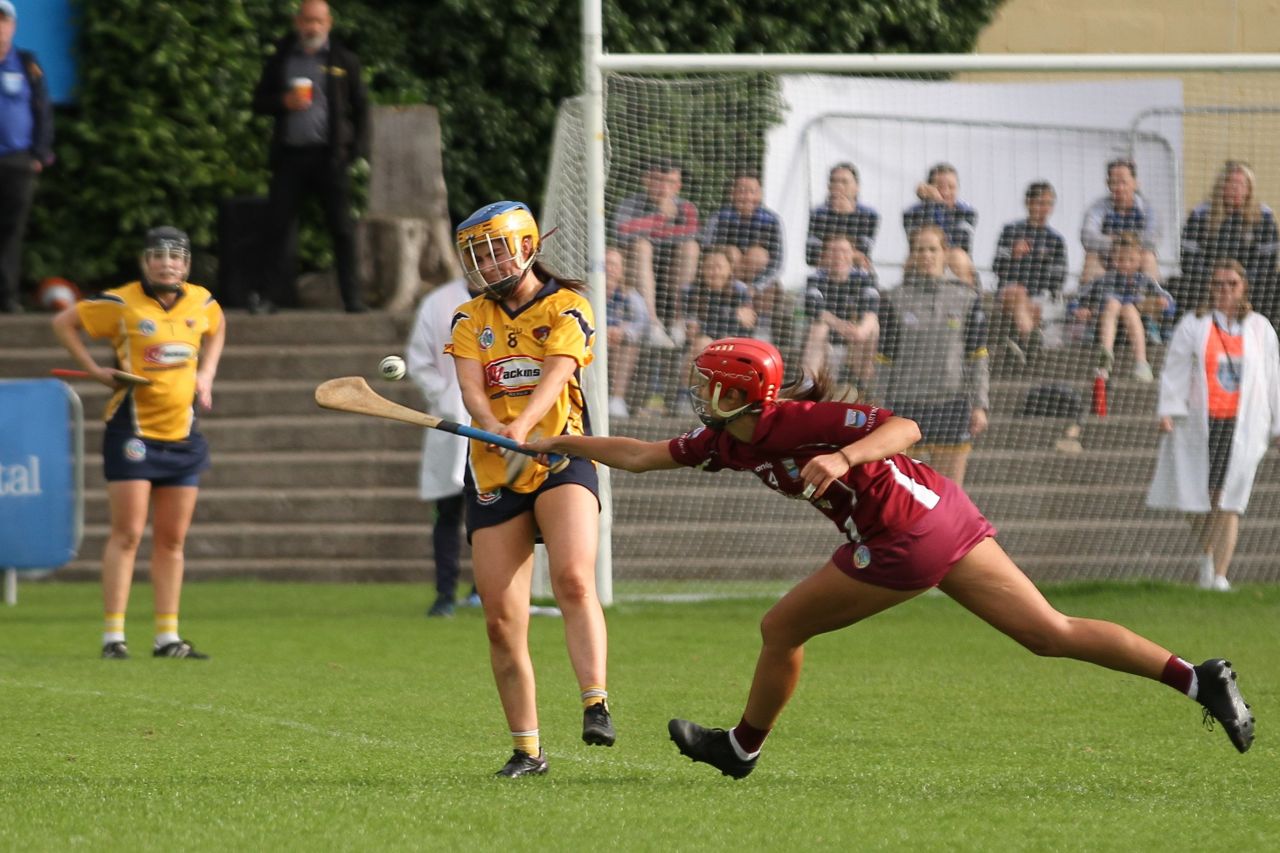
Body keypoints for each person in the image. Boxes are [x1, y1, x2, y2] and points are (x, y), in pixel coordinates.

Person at [526, 336, 1256, 780]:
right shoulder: (727, 439)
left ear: (741, 393)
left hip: (909, 533)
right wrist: (562, 442)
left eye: (710, 385)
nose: (699, 392)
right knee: (1049, 632)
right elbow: (645, 455)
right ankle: (1198, 678)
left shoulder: (795, 419)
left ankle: (742, 748)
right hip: (947, 516)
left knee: (780, 628)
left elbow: (903, 426)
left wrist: (842, 456)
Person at [445, 201, 612, 778]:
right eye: (476, 255)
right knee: (500, 619)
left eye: (495, 250)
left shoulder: (569, 305)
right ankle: (527, 750)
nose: (487, 265)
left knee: (571, 576)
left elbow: (557, 373)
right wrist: (492, 429)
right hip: (494, 472)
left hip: (561, 454)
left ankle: (595, 700)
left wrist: (524, 428)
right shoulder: (468, 319)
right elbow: (472, 389)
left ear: (526, 246)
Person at [51, 227, 226, 660]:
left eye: (177, 257)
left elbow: (219, 328)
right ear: (145, 261)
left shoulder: (201, 302)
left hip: (183, 436)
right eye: (158, 256)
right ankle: (114, 636)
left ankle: (167, 637)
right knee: (127, 533)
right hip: (133, 433)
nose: (168, 263)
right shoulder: (119, 303)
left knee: (172, 540)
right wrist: (93, 368)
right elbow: (63, 322)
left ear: (186, 264)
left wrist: (206, 375)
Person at [1146, 260, 1280, 592]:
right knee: (1199, 498)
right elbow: (1175, 368)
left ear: (1243, 286)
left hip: (1245, 423)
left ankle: (1220, 575)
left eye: (1232, 283)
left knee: (1231, 497)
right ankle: (1206, 553)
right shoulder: (1194, 323)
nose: (1225, 290)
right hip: (1201, 422)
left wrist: (1278, 424)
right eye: (1219, 284)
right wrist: (1169, 409)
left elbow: (1274, 378)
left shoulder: (1260, 327)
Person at [250, 0, 370, 314]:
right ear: (297, 22)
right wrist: (282, 101)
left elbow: (362, 109)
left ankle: (352, 299)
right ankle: (267, 297)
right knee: (277, 226)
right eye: (306, 21)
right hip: (290, 157)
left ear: (328, 23)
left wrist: (353, 152)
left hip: (330, 159)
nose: (312, 27)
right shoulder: (281, 58)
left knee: (342, 229)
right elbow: (258, 102)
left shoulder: (344, 59)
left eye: (317, 21)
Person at [877, 225, 989, 486]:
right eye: (919, 249)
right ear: (912, 255)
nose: (926, 255)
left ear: (945, 253)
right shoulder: (895, 298)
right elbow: (884, 359)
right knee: (904, 494)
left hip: (951, 405)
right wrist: (880, 406)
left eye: (932, 249)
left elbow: (977, 356)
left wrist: (980, 405)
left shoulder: (967, 298)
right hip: (906, 406)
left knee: (950, 496)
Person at [406, 277, 479, 617]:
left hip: (499, 422)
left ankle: (485, 589)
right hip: (449, 424)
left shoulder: (508, 300)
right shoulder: (439, 301)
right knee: (448, 512)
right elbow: (420, 361)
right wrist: (446, 398)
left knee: (493, 510)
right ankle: (445, 593)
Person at [0, 0, 54, 314]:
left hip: (18, 162)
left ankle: (6, 297)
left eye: (3, 21)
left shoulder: (27, 63)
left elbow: (42, 110)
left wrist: (39, 153)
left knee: (11, 232)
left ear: (13, 26)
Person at [612, 158, 701, 346]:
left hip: (672, 270)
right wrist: (661, 218)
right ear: (646, 180)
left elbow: (691, 231)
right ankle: (652, 324)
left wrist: (648, 227)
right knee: (641, 246)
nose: (663, 187)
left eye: (669, 182)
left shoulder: (686, 208)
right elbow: (621, 230)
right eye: (657, 180)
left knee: (690, 247)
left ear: (678, 185)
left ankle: (680, 322)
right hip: (635, 269)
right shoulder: (630, 204)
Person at [1179, 161, 1280, 324]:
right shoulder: (1200, 215)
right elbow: (1188, 259)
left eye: (1241, 184)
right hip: (1208, 281)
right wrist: (1216, 279)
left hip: (1252, 282)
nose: (1236, 188)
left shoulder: (1264, 216)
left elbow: (1268, 261)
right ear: (1221, 187)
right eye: (1231, 183)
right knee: (1181, 284)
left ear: (1249, 189)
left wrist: (1241, 281)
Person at [1072, 232, 1174, 383]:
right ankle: (1105, 357)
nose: (1126, 264)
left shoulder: (1145, 280)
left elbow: (1168, 300)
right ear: (1113, 258)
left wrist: (1163, 301)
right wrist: (1079, 309)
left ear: (1139, 258)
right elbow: (1078, 299)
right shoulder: (1103, 280)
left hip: (1138, 329)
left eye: (1131, 260)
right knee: (1113, 303)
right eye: (1120, 259)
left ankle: (1141, 363)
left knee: (1128, 308)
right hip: (1106, 329)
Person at [702, 173, 785, 342]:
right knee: (732, 253)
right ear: (732, 193)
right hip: (724, 279)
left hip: (757, 281)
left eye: (752, 191)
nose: (746, 196)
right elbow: (707, 251)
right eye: (741, 191)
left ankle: (760, 326)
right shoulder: (718, 217)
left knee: (759, 256)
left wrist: (755, 286)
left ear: (760, 194)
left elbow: (777, 262)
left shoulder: (772, 220)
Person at [992, 181, 1068, 365]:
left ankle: (1023, 343)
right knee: (1017, 292)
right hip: (1009, 294)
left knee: (1027, 301)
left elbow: (1059, 278)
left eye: (1049, 204)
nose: (1044, 208)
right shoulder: (1010, 231)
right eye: (1040, 202)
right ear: (1028, 203)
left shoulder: (1055, 240)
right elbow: (997, 266)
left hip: (1038, 297)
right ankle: (1032, 342)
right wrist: (1013, 255)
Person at [800, 234, 879, 393]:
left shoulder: (865, 277)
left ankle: (860, 382)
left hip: (854, 339)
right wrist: (839, 325)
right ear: (825, 256)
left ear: (853, 254)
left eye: (844, 251)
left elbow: (872, 309)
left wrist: (860, 331)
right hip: (827, 340)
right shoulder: (816, 278)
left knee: (872, 326)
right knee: (819, 326)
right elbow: (814, 308)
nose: (839, 257)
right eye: (833, 251)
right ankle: (808, 385)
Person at [1080, 158, 1160, 286]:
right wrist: (1121, 245)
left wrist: (1123, 243)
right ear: (1107, 184)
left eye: (1124, 182)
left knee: (1148, 257)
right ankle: (1092, 301)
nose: (1119, 188)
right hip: (1108, 260)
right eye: (1114, 183)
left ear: (1135, 183)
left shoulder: (1147, 209)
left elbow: (1152, 239)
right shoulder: (1097, 208)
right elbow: (1087, 237)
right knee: (1091, 257)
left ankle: (1151, 299)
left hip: (1136, 260)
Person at [902, 163, 977, 287]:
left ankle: (969, 302)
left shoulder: (967, 212)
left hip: (953, 261)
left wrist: (940, 205)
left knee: (959, 257)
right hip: (924, 259)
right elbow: (917, 243)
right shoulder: (911, 213)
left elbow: (961, 244)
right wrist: (931, 204)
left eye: (951, 187)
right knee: (911, 261)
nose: (946, 191)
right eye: (940, 187)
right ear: (929, 188)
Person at [805, 162, 879, 271]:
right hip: (825, 273)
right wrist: (849, 254)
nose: (838, 186)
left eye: (844, 182)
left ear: (856, 187)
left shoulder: (869, 215)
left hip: (858, 272)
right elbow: (811, 257)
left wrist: (845, 215)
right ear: (828, 186)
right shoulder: (818, 214)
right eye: (834, 181)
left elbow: (863, 254)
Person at [603, 245, 648, 420]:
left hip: (617, 341)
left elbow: (642, 322)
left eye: (614, 265)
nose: (610, 269)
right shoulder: (587, 291)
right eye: (606, 264)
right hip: (591, 339)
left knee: (628, 345)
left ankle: (617, 399)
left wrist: (624, 332)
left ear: (622, 270)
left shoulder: (630, 295)